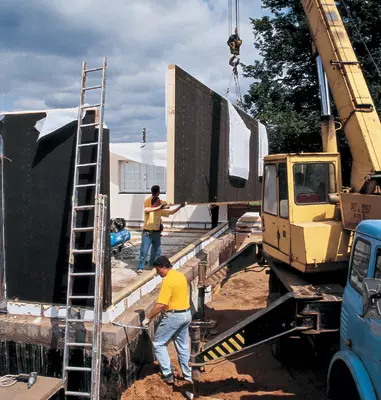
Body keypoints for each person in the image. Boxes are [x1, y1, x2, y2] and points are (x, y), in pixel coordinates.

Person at [143, 256, 192, 384]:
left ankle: (168, 374)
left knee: (159, 343)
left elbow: (160, 304)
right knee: (183, 347)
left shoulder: (168, 280)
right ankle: (188, 376)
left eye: (158, 270)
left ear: (164, 267)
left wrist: (148, 318)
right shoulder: (180, 276)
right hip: (186, 314)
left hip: (174, 316)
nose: (158, 273)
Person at [137, 197, 185, 274]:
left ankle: (152, 264)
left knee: (157, 251)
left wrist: (180, 207)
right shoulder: (149, 209)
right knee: (144, 251)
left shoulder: (160, 211)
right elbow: (147, 210)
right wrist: (159, 207)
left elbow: (171, 212)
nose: (160, 202)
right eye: (158, 201)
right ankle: (140, 267)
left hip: (156, 233)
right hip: (147, 233)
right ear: (154, 203)